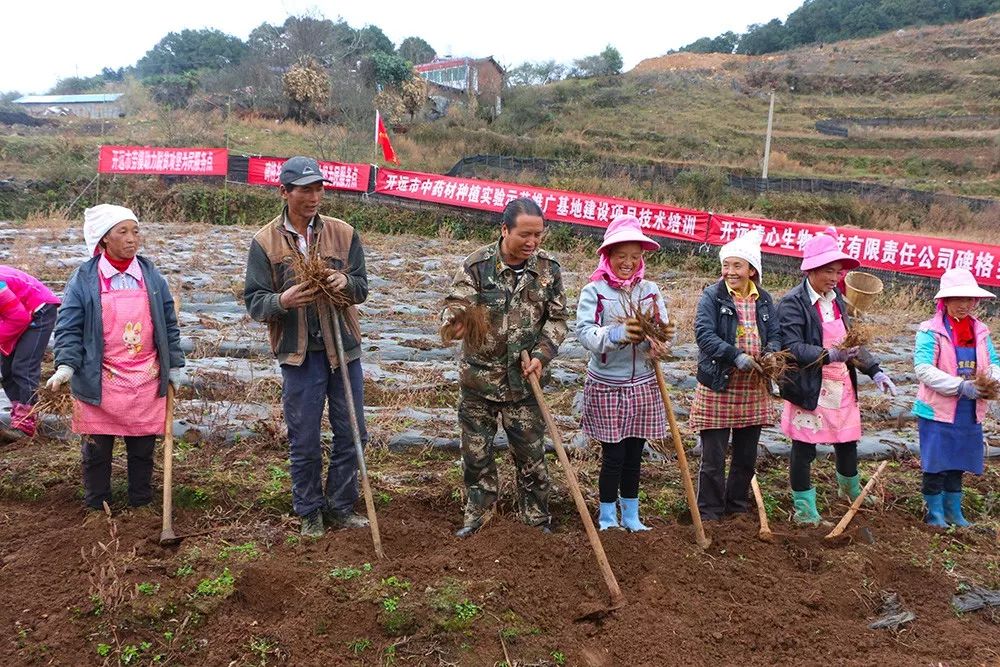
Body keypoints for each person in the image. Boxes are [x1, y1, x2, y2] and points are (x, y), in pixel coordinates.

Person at [244, 156, 370, 538]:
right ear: (285, 192)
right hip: (299, 355)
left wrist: (343, 284)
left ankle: (341, 506)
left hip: (343, 349)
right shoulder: (265, 242)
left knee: (352, 433)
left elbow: (362, 288)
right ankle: (310, 510)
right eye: (305, 189)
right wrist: (282, 302)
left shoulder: (343, 234)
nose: (314, 196)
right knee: (305, 437)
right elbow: (254, 301)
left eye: (319, 188)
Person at [441, 197, 568, 537]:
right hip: (479, 382)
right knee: (477, 455)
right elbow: (456, 306)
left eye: (538, 235)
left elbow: (557, 320)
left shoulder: (548, 270)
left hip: (525, 383)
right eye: (525, 234)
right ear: (504, 230)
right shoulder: (476, 266)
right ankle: (478, 516)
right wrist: (456, 322)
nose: (532, 242)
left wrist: (541, 355)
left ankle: (535, 520)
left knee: (531, 456)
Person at [47, 204, 184, 510]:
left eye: (135, 231)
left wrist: (174, 363)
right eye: (122, 232)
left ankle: (141, 505)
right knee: (96, 452)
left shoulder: (150, 275)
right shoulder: (84, 278)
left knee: (142, 449)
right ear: (104, 238)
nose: (132, 238)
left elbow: (167, 323)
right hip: (100, 380)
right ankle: (97, 507)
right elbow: (69, 325)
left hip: (144, 378)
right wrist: (66, 365)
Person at [777, 226, 897, 526]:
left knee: (847, 441)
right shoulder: (793, 303)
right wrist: (828, 355)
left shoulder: (838, 301)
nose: (834, 278)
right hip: (809, 386)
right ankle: (805, 510)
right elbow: (791, 347)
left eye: (838, 272)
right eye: (828, 271)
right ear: (812, 269)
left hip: (839, 385)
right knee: (804, 447)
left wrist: (875, 369)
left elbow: (851, 344)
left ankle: (850, 492)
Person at [575, 215, 669, 532]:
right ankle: (606, 518)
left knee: (634, 455)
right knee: (613, 455)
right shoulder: (595, 291)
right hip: (607, 385)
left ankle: (632, 515)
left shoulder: (650, 291)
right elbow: (586, 334)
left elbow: (664, 330)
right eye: (621, 256)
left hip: (642, 384)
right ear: (608, 256)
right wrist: (617, 335)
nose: (628, 263)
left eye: (634, 256)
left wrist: (658, 344)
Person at [690, 230, 780, 521]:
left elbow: (775, 334)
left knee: (745, 457)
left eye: (737, 266)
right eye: (726, 265)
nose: (730, 272)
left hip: (753, 389)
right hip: (719, 386)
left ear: (752, 270)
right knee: (713, 459)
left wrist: (771, 354)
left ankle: (737, 508)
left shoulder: (764, 300)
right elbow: (704, 335)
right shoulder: (712, 296)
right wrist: (735, 355)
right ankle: (710, 512)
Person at [913, 268, 999, 527]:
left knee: (958, 461)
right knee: (936, 462)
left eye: (969, 300)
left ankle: (954, 511)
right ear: (945, 301)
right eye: (957, 299)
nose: (964, 305)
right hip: (938, 409)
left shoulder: (980, 331)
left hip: (969, 410)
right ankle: (935, 514)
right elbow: (923, 368)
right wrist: (961, 386)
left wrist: (991, 380)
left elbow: (993, 361)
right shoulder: (930, 330)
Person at [0, 267, 60, 440]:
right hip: (12, 313)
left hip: (39, 310)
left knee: (23, 367)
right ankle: (18, 412)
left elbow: (19, 318)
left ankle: (27, 421)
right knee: (8, 371)